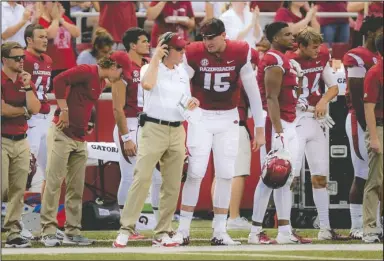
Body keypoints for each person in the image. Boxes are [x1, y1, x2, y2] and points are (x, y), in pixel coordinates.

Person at [173, 18, 265, 246]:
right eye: (204, 37)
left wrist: (260, 128)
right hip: (201, 116)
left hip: (228, 116)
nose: (207, 42)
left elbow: (253, 91)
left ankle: (220, 230)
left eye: (212, 37)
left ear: (223, 35)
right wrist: (187, 103)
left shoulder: (241, 51)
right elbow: (181, 81)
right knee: (195, 172)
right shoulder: (193, 52)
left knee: (225, 173)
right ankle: (183, 229)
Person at [113, 32, 199, 248]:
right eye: (178, 49)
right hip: (153, 128)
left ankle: (162, 232)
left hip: (177, 129)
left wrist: (192, 102)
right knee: (141, 178)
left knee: (171, 185)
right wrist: (155, 58)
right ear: (166, 49)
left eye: (183, 49)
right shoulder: (148, 68)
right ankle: (126, 228)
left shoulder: (181, 73)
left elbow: (184, 100)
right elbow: (148, 85)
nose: (182, 53)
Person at [40, 52, 130, 247]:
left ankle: (72, 231)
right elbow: (58, 80)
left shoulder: (102, 81)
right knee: (54, 183)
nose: (122, 78)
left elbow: (84, 103)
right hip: (62, 134)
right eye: (122, 73)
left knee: (76, 188)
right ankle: (47, 230)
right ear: (114, 66)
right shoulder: (87, 70)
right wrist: (63, 109)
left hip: (79, 138)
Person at [248, 22, 311, 245]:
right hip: (276, 123)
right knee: (270, 176)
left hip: (289, 121)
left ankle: (285, 230)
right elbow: (271, 98)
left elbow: (287, 95)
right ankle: (255, 232)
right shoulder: (273, 59)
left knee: (286, 179)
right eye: (286, 35)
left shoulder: (285, 60)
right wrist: (279, 131)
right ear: (274, 38)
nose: (292, 38)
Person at [285, 27, 348, 240]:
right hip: (294, 119)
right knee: (290, 175)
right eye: (313, 46)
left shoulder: (321, 55)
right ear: (300, 46)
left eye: (318, 46)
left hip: (315, 119)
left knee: (320, 175)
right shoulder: (289, 60)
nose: (317, 50)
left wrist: (322, 101)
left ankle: (325, 228)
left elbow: (333, 87)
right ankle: (285, 228)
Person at [111, 27, 162, 238]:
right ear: (132, 44)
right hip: (130, 124)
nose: (147, 44)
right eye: (143, 41)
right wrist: (126, 137)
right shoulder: (123, 65)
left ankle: (160, 224)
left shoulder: (148, 65)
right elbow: (117, 107)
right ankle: (127, 225)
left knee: (158, 177)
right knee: (130, 176)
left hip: (149, 125)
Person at [342, 15, 383, 239]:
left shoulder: (378, 56)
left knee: (378, 174)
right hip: (361, 118)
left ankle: (376, 222)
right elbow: (358, 97)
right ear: (372, 33)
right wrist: (368, 128)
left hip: (376, 120)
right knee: (363, 173)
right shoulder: (356, 56)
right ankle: (357, 224)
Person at [1, 41, 41, 248]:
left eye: (23, 57)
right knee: (2, 187)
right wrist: (23, 111)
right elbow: (3, 110)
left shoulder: (26, 80)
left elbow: (35, 107)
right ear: (4, 60)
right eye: (17, 58)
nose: (21, 61)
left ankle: (14, 232)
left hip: (21, 139)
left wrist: (27, 87)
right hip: (2, 138)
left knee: (18, 189)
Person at [362, 33, 383, 243]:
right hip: (380, 126)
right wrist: (374, 138)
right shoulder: (375, 73)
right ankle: (369, 227)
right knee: (376, 179)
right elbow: (369, 108)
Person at [37, 1, 80, 80]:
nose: (56, 4)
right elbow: (50, 35)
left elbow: (77, 33)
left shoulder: (63, 18)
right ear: (44, 4)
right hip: (52, 68)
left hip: (70, 65)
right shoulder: (40, 20)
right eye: (53, 2)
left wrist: (61, 20)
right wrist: (56, 19)